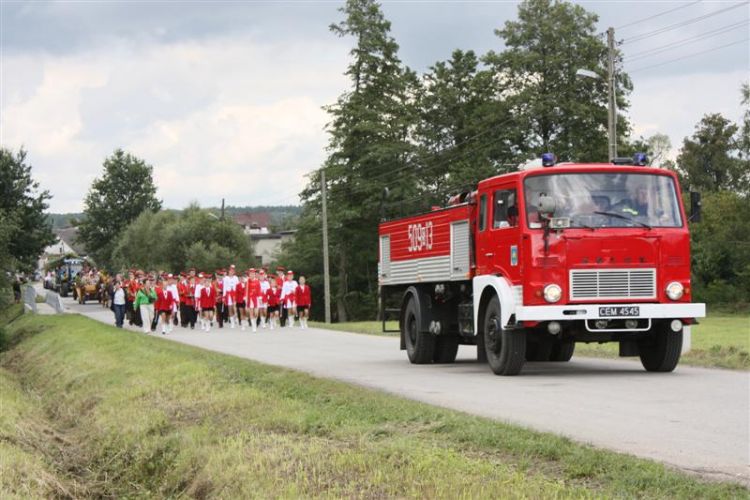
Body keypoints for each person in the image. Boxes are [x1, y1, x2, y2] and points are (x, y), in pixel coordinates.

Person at [223, 264, 240, 328]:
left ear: (234, 272)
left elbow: (238, 287)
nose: (232, 272)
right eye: (230, 270)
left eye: (233, 271)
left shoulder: (236, 278)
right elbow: (224, 287)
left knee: (234, 307)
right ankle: (232, 322)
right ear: (229, 271)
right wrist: (224, 297)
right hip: (229, 294)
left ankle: (236, 317)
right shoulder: (226, 278)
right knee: (230, 308)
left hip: (235, 294)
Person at [245, 268, 261, 332]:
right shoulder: (247, 281)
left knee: (256, 313)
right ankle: (253, 326)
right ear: (249, 274)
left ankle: (254, 322)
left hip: (256, 298)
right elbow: (245, 291)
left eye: (253, 274)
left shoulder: (257, 281)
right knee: (251, 312)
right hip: (250, 298)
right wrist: (245, 298)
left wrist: (260, 298)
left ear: (254, 274)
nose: (252, 275)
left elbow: (259, 290)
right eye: (251, 274)